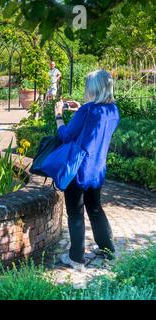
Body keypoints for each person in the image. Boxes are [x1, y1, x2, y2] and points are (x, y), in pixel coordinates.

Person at [54, 70, 120, 270]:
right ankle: (108, 250)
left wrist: (58, 115)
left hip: (78, 169)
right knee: (95, 208)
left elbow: (65, 135)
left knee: (75, 213)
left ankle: (76, 258)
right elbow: (96, 126)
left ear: (93, 88)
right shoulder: (112, 110)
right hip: (97, 169)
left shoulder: (88, 111)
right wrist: (81, 108)